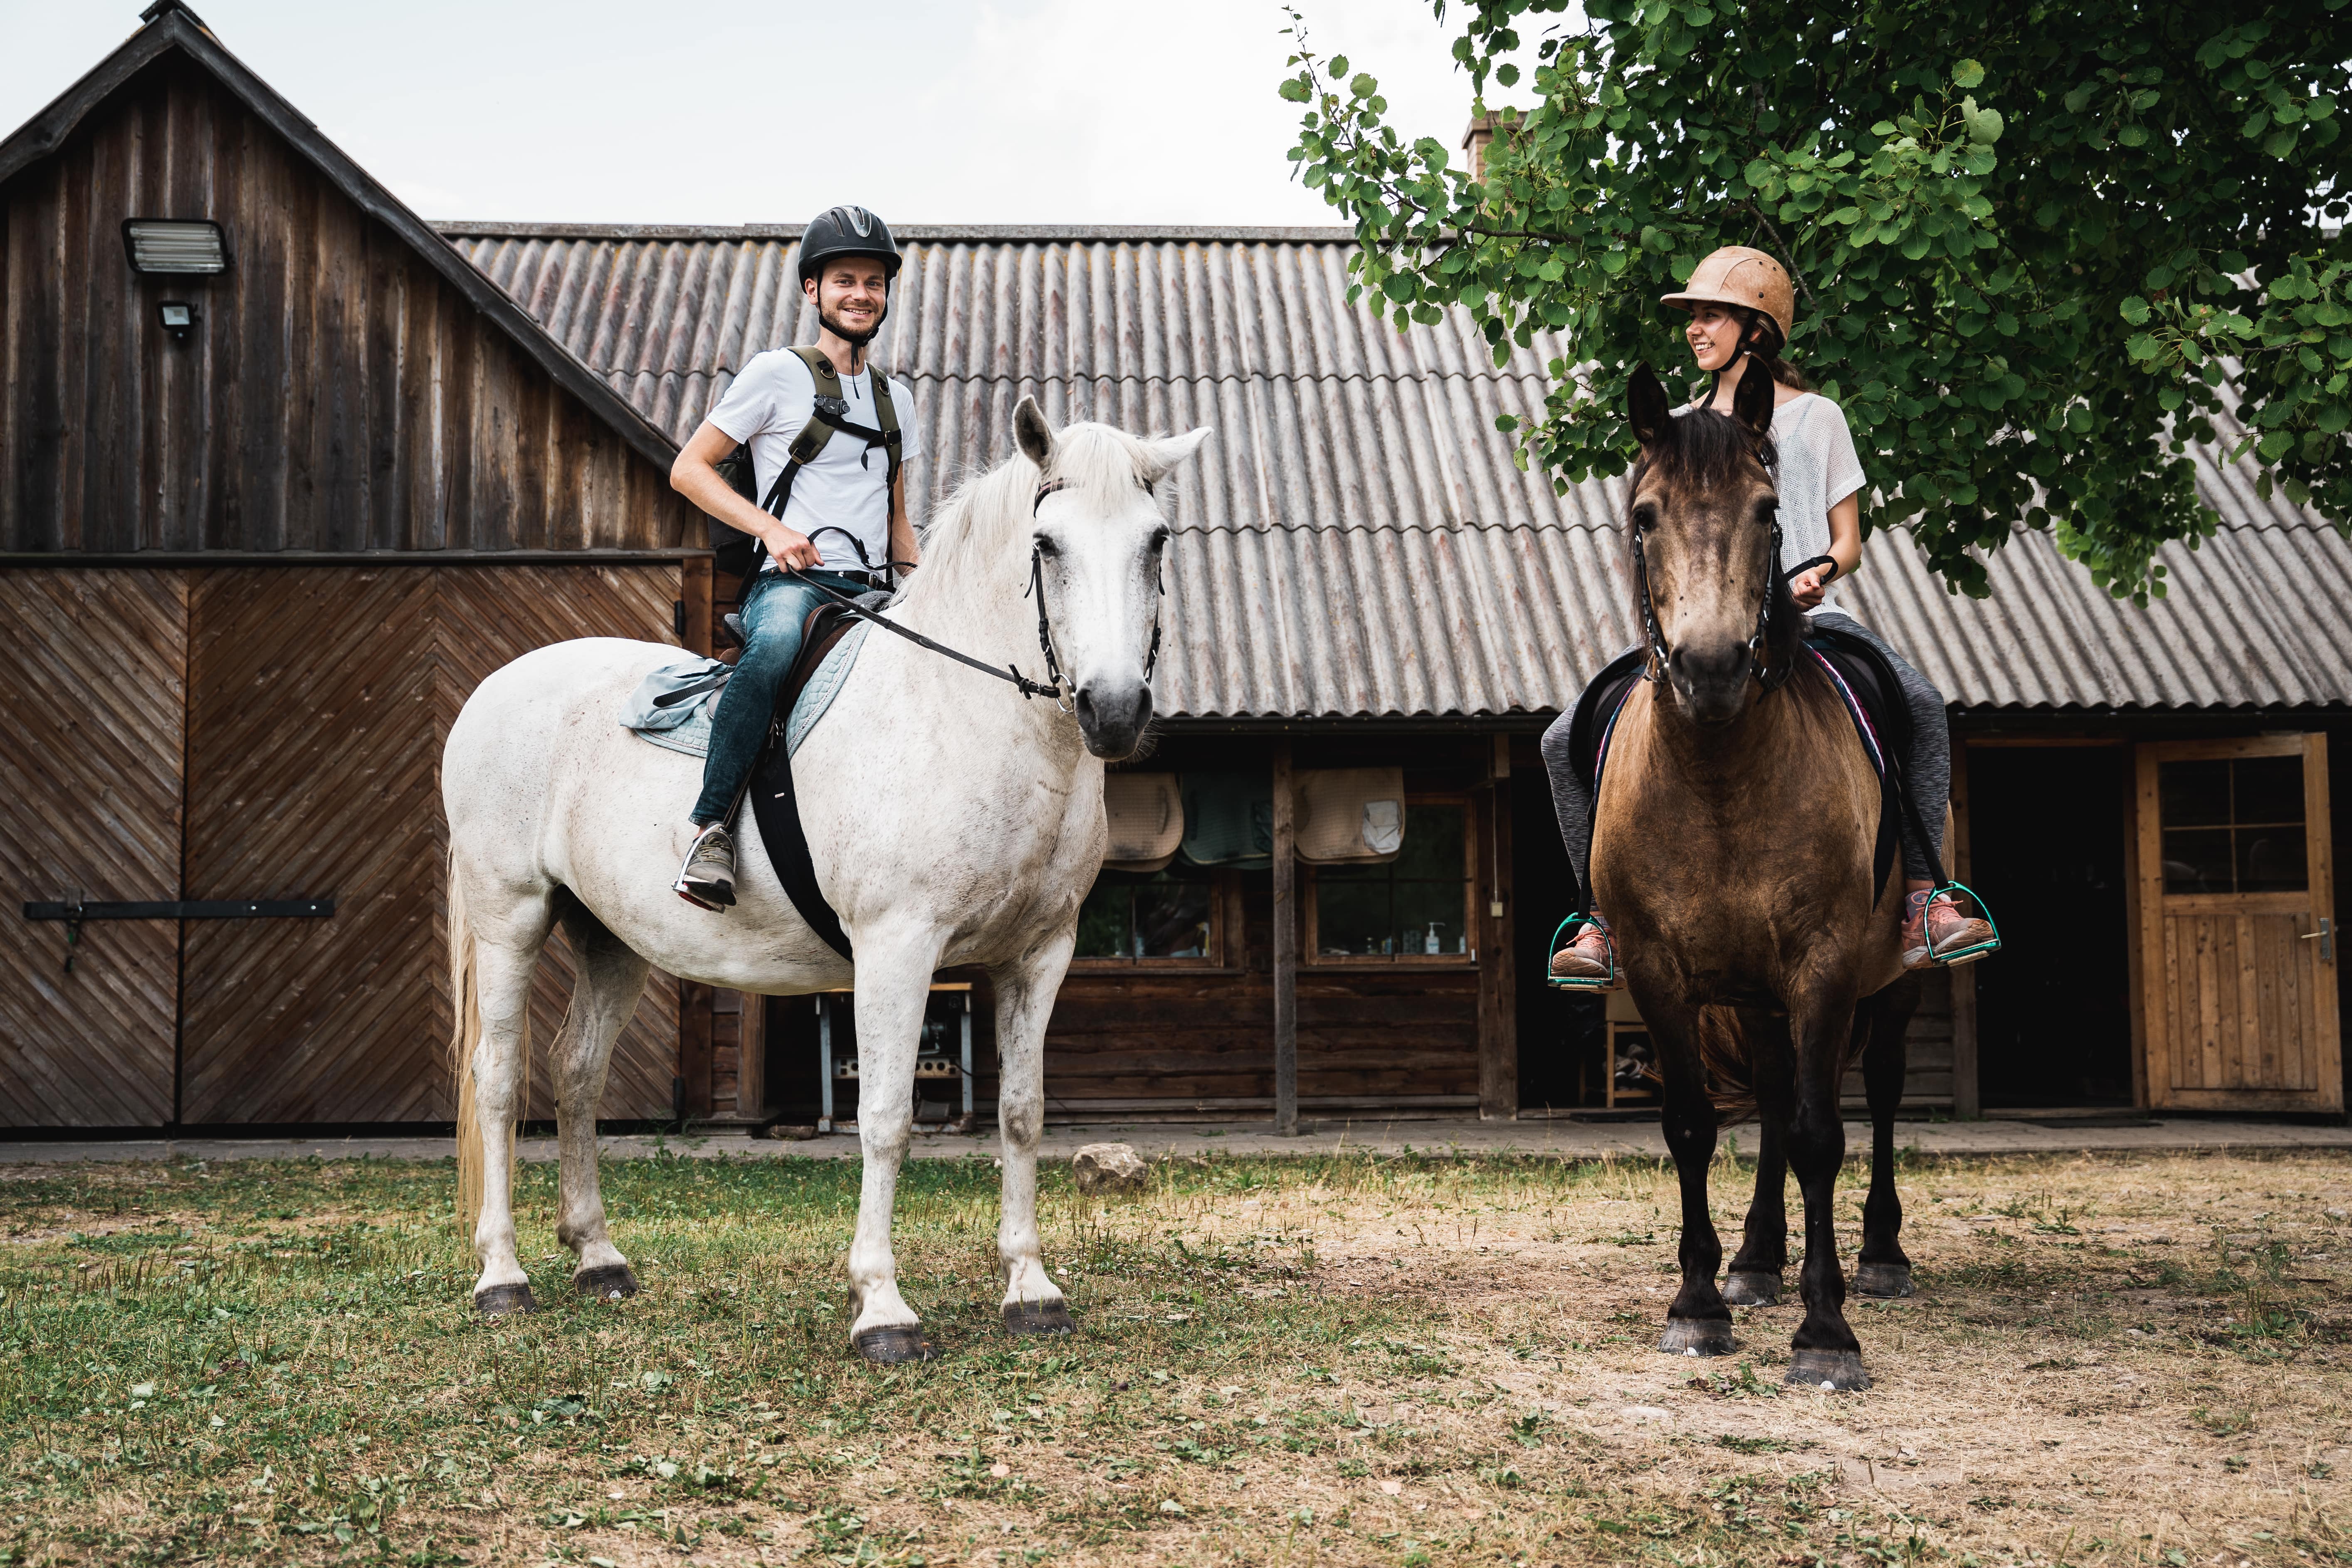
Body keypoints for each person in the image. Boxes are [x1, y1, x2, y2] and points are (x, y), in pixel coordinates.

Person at [1542, 245, 1994, 981]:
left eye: (1712, 315)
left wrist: (1820, 570)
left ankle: (1923, 899)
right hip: (1701, 623)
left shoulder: (1818, 418)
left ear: (1757, 328)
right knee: (1562, 740)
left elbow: (1848, 539)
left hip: (1809, 618)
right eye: (1692, 318)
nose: (1695, 330)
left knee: (1922, 703)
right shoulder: (1681, 426)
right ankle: (1601, 918)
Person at [665, 205, 923, 910]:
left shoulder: (896, 399)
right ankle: (709, 829)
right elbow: (689, 470)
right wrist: (773, 532)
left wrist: (926, 583)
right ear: (813, 289)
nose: (861, 294)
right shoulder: (776, 375)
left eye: (874, 282)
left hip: (874, 590)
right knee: (775, 646)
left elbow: (899, 521)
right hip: (794, 585)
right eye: (845, 280)